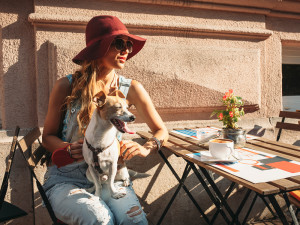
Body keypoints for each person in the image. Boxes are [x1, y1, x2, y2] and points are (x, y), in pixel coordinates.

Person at [42, 15, 168, 225]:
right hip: (67, 180)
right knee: (100, 219)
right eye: (119, 44)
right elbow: (47, 137)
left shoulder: (131, 88)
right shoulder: (66, 86)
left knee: (134, 222)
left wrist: (147, 147)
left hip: (112, 178)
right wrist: (67, 148)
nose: (126, 50)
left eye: (128, 45)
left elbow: (161, 131)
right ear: (98, 48)